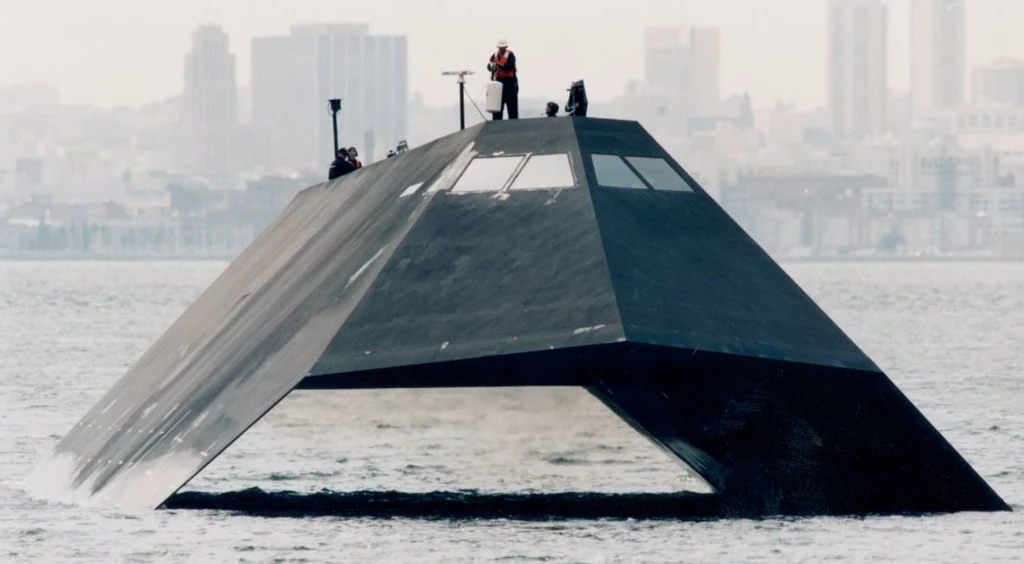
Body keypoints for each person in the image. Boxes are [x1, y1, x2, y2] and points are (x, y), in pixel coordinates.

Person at [487, 38, 518, 120]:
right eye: (500, 47)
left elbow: (509, 67)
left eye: (503, 47)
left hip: (510, 83)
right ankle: (497, 123)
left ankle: (513, 124)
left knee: (512, 108)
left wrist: (498, 64)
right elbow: (490, 65)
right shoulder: (494, 55)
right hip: (498, 83)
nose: (501, 49)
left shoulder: (511, 55)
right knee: (497, 107)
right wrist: (490, 67)